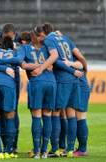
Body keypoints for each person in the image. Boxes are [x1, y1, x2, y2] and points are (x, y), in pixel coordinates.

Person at [34, 23, 85, 157]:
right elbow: (78, 55)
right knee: (71, 114)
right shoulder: (65, 38)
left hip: (62, 79)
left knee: (55, 113)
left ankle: (55, 149)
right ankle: (69, 150)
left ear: (42, 34)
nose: (40, 41)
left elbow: (55, 59)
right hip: (74, 81)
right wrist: (77, 68)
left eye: (39, 37)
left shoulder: (49, 40)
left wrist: (71, 70)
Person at [62, 57, 90, 156]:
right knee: (77, 117)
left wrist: (69, 63)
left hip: (81, 87)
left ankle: (82, 149)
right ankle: (78, 148)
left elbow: (80, 63)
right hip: (79, 86)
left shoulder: (71, 54)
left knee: (79, 117)